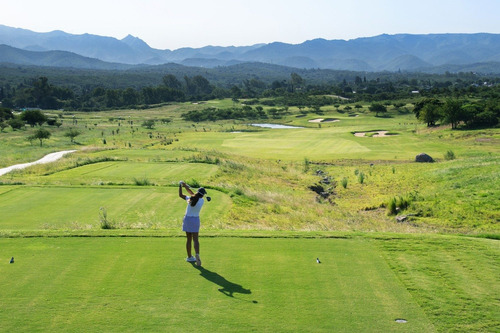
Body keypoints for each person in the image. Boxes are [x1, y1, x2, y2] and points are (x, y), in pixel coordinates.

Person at [178, 181, 206, 266]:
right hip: (195, 220)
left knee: (188, 239)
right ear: (203, 195)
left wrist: (181, 186)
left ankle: (190, 257)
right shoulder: (202, 201)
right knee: (196, 239)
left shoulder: (190, 199)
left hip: (187, 219)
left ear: (197, 192)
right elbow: (192, 193)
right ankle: (197, 254)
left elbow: (181, 195)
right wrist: (186, 186)